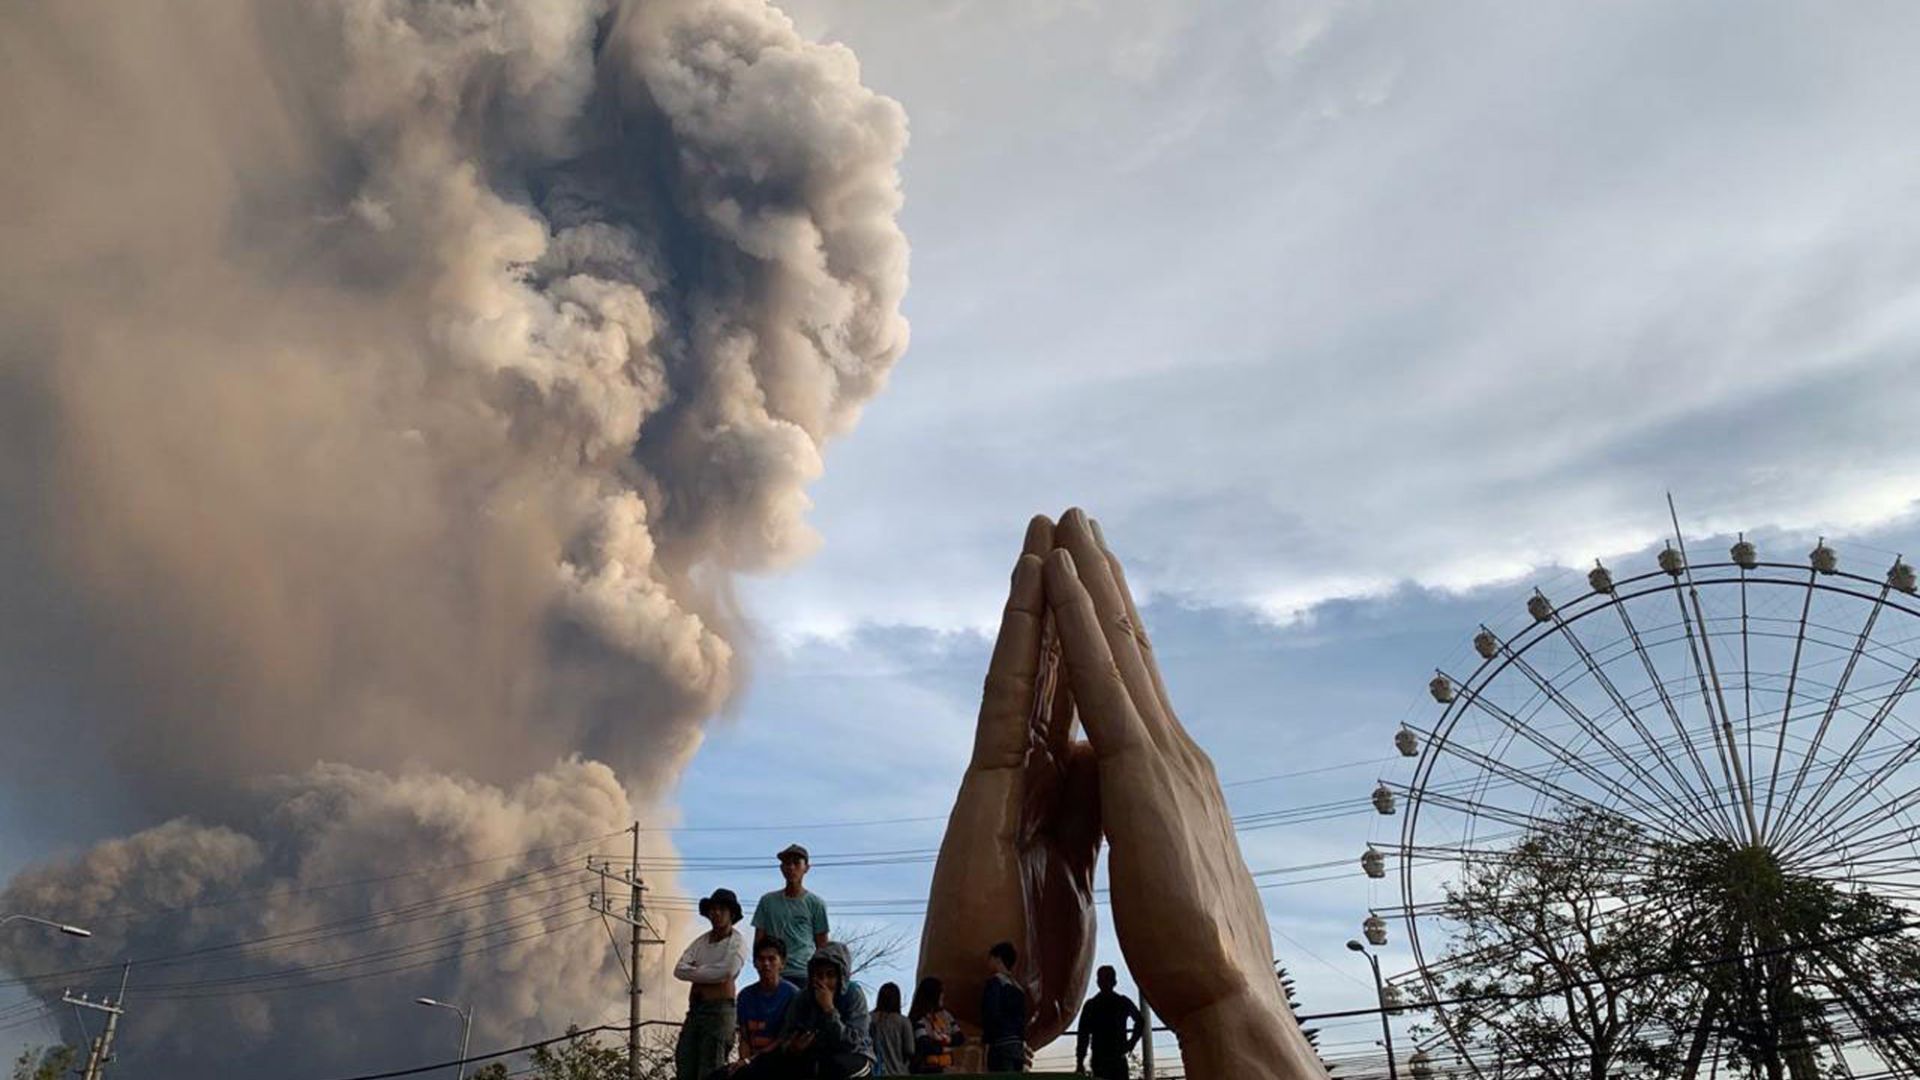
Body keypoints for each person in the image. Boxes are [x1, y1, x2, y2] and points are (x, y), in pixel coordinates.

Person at [728, 941, 874, 1079]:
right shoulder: (803, 997)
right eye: (819, 975)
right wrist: (793, 1047)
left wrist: (829, 1010)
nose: (823, 982)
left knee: (833, 1067)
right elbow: (786, 1035)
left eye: (830, 975)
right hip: (815, 1056)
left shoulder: (853, 995)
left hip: (854, 1055)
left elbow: (854, 1042)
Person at [674, 888, 751, 1080]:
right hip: (695, 1011)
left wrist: (697, 972)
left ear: (731, 914)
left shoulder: (737, 942)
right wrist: (710, 972)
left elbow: (727, 971)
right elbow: (679, 970)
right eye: (713, 909)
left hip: (719, 1012)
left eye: (722, 909)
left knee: (711, 1070)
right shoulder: (701, 942)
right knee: (685, 1062)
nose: (716, 913)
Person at [753, 843, 831, 989]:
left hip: (804, 974)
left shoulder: (816, 903)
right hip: (774, 973)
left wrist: (820, 977)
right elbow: (759, 941)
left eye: (796, 863)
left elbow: (822, 946)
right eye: (787, 863)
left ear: (806, 868)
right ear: (781, 868)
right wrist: (761, 969)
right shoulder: (767, 901)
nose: (791, 867)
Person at [736, 938, 800, 1068]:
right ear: (754, 963)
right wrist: (745, 1063)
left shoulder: (793, 995)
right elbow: (744, 1038)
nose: (766, 963)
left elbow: (785, 1038)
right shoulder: (744, 996)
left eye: (772, 959)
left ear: (782, 963)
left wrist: (752, 1061)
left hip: (783, 1063)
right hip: (751, 1064)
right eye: (761, 959)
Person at [1074, 966, 1144, 1079]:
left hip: (1099, 1059)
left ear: (1098, 982)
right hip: (1118, 1057)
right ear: (1115, 982)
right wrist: (1130, 1043)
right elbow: (1140, 1021)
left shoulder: (1091, 1005)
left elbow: (1083, 1036)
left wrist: (1080, 1061)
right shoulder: (1122, 1002)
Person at [980, 941, 1027, 1073]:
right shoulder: (1019, 988)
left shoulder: (995, 983)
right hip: (1017, 1046)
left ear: (998, 959)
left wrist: (987, 1042)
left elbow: (991, 1013)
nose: (988, 962)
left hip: (1000, 1045)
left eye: (991, 958)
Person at [906, 977, 965, 1074]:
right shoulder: (918, 1017)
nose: (943, 996)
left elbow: (960, 1037)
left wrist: (949, 1039)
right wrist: (943, 1048)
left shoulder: (946, 1015)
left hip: (946, 1067)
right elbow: (924, 1044)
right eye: (940, 992)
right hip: (926, 1069)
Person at [869, 982, 912, 1076]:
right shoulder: (903, 1021)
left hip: (874, 1073)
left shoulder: (868, 1019)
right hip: (899, 1072)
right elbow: (910, 1050)